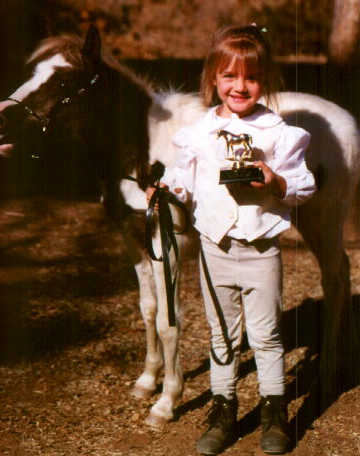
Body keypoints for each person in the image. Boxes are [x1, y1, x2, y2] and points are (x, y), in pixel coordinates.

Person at [146, 24, 316, 455]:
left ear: (266, 81)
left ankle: (274, 409)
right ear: (213, 78)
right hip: (214, 247)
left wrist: (274, 181)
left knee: (267, 334)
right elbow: (182, 180)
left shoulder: (277, 131)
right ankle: (224, 409)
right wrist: (165, 192)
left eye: (252, 78)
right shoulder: (199, 132)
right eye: (229, 76)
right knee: (222, 334)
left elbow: (302, 186)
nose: (240, 86)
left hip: (260, 247)